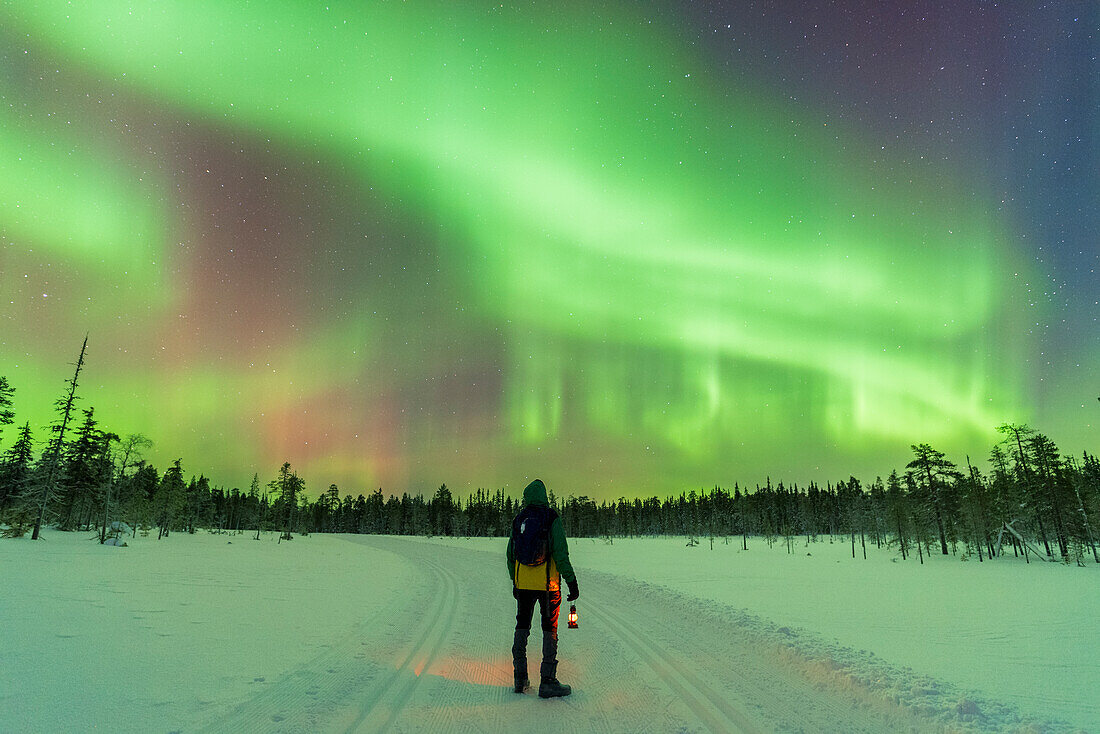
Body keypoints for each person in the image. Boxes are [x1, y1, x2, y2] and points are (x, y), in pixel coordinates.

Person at [506, 479, 579, 698]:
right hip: (549, 585)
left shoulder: (520, 519)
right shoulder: (551, 517)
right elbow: (561, 553)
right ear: (544, 495)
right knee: (550, 629)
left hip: (524, 586)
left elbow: (511, 555)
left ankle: (520, 677)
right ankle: (547, 681)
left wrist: (515, 581)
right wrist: (571, 581)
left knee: (522, 626)